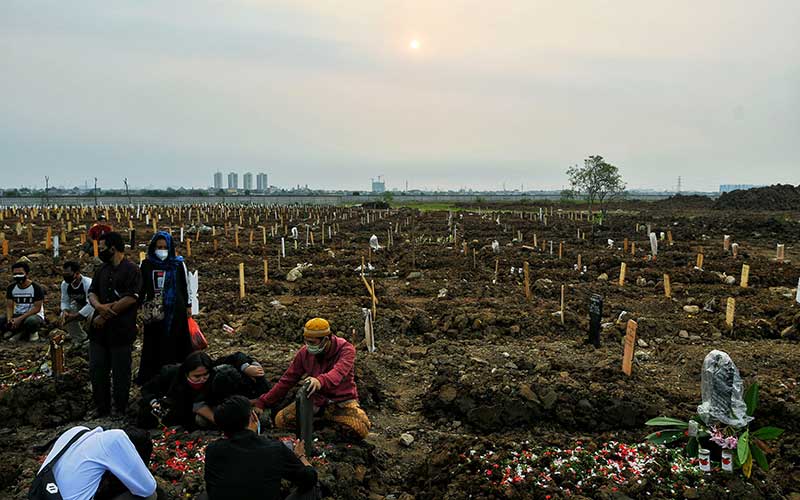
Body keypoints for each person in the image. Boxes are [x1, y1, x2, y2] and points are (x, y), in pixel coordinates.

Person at [253, 318, 371, 439]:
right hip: (315, 401)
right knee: (280, 421)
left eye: (312, 343)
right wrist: (263, 401)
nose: (309, 346)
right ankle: (317, 426)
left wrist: (320, 381)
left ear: (326, 339)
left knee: (360, 427)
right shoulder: (304, 353)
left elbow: (338, 372)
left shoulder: (346, 350)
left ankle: (326, 429)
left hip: (341, 402)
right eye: (306, 342)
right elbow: (287, 381)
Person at [202, 395, 319, 500]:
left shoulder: (213, 450)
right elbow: (310, 478)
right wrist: (301, 456)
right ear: (252, 416)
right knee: (312, 488)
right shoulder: (274, 448)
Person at [139, 351, 269, 429]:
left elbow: (236, 357)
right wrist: (153, 401)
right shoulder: (172, 374)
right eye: (197, 376)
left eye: (205, 375)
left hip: (216, 404)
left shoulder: (217, 375)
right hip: (187, 411)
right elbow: (147, 389)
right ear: (186, 373)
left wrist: (245, 367)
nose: (202, 379)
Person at [88, 232, 142, 417]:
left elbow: (131, 298)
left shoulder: (132, 270)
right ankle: (101, 407)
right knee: (97, 370)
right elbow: (92, 292)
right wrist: (99, 306)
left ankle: (120, 407)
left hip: (121, 330)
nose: (100, 251)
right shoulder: (101, 270)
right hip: (98, 332)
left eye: (102, 248)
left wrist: (105, 314)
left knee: (121, 372)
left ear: (112, 248)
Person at [36, 426, 157, 500]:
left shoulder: (76, 431)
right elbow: (147, 489)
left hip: (42, 494)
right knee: (152, 497)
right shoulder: (116, 439)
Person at [136, 231, 192, 385]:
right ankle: (153, 376)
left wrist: (188, 305)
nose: (162, 250)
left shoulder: (178, 264)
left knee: (175, 341)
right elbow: (141, 287)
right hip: (154, 310)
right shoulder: (146, 264)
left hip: (175, 310)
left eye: (165, 247)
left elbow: (185, 286)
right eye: (158, 247)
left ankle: (177, 375)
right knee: (154, 342)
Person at [1, 261, 45, 342]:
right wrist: (9, 319)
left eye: (20, 273)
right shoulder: (11, 288)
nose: (17, 276)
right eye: (15, 274)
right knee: (1, 319)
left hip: (33, 315)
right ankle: (14, 330)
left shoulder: (36, 288)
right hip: (17, 314)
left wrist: (19, 319)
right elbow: (9, 306)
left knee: (31, 321)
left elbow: (37, 308)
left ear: (27, 274)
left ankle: (30, 333)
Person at [60, 260, 93, 347]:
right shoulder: (65, 284)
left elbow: (91, 304)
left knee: (92, 317)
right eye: (64, 274)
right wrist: (65, 310)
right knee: (65, 316)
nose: (66, 277)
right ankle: (80, 338)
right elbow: (64, 300)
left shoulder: (88, 283)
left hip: (92, 306)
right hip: (79, 305)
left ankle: (93, 339)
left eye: (68, 275)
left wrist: (77, 315)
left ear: (77, 273)